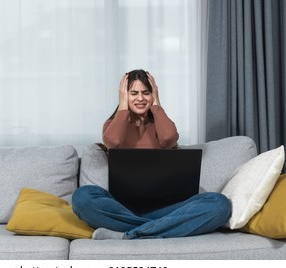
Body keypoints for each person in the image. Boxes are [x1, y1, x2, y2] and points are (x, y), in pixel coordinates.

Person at [72, 69, 231, 239]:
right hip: (123, 209)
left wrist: (157, 104)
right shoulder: (113, 125)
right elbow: (114, 141)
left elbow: (169, 137)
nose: (140, 98)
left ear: (153, 94)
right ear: (124, 96)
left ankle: (131, 233)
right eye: (133, 93)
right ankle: (159, 229)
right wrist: (123, 106)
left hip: (167, 208)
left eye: (146, 92)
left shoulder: (160, 125)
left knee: (220, 204)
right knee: (82, 197)